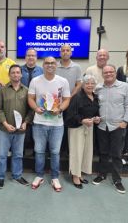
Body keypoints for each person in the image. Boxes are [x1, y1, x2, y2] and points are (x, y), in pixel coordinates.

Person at [28, 56, 71, 192]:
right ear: (43, 65)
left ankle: (55, 177)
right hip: (39, 123)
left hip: (57, 124)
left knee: (55, 152)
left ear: (56, 65)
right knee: (39, 151)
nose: (50, 65)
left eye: (52, 63)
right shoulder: (35, 80)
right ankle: (39, 175)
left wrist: (60, 109)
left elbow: (66, 99)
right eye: (47, 63)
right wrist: (35, 108)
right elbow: (30, 98)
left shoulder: (63, 81)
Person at [92, 64, 128, 194]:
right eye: (106, 72)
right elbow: (94, 105)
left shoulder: (124, 87)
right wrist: (95, 117)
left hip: (117, 126)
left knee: (116, 154)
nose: (108, 74)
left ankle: (117, 180)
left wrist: (125, 121)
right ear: (102, 74)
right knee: (103, 153)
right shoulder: (98, 88)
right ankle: (102, 174)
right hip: (102, 126)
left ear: (115, 73)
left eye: (111, 72)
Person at [0, 65, 34, 188]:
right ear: (9, 75)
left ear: (21, 75)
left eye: (18, 72)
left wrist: (26, 122)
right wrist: (5, 124)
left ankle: (17, 175)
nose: (16, 75)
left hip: (20, 130)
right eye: (13, 73)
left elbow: (31, 110)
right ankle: (1, 176)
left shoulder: (27, 90)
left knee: (18, 154)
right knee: (2, 154)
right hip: (4, 129)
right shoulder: (2, 90)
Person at [65, 75, 100, 189]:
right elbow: (70, 115)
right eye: (87, 83)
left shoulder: (95, 97)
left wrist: (97, 118)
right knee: (77, 152)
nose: (89, 85)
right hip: (77, 128)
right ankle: (75, 176)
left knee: (86, 152)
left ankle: (80, 174)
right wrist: (82, 120)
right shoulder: (77, 97)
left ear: (95, 85)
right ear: (83, 85)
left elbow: (96, 111)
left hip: (89, 128)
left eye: (92, 83)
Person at [56, 44, 83, 155]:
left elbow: (79, 83)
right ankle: (58, 150)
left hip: (71, 102)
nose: (65, 52)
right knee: (57, 126)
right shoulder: (55, 66)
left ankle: (67, 151)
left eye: (68, 50)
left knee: (69, 126)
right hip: (57, 103)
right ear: (60, 52)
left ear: (71, 52)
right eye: (63, 50)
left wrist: (70, 97)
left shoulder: (77, 67)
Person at [20, 48, 43, 154]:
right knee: (22, 127)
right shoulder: (19, 70)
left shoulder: (41, 71)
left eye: (33, 55)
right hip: (22, 103)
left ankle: (35, 152)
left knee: (36, 129)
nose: (30, 57)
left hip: (36, 104)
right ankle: (21, 151)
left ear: (36, 58)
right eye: (28, 55)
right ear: (25, 57)